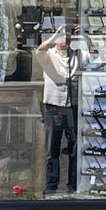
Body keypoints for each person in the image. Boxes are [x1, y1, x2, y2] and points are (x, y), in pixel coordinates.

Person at [34, 25, 88, 193]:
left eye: (67, 37)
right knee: (52, 150)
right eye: (62, 37)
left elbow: (94, 53)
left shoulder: (77, 55)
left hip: (72, 107)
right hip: (53, 107)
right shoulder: (49, 55)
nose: (64, 40)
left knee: (74, 149)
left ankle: (73, 185)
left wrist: (85, 35)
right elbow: (39, 51)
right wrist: (54, 35)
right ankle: (51, 186)